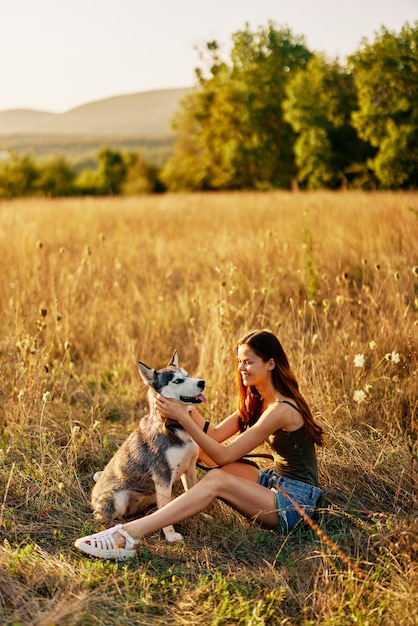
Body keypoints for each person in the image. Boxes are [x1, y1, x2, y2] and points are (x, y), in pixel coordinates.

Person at [74, 329, 324, 560]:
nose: (241, 368)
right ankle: (124, 479)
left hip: (297, 504)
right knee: (199, 453)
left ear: (270, 363)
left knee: (217, 478)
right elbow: (212, 436)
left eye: (248, 362)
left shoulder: (281, 409)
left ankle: (127, 535)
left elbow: (225, 455)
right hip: (275, 482)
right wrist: (177, 402)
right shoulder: (259, 400)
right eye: (239, 361)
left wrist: (183, 416)